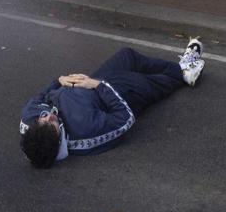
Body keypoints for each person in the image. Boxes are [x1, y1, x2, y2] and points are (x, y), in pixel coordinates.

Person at [19, 40, 204, 167]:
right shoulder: (86, 133)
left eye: (43, 120)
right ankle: (187, 70)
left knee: (128, 56)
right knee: (160, 83)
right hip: (118, 93)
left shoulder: (31, 120)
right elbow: (124, 119)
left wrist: (59, 80)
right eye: (52, 125)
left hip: (94, 81)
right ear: (59, 142)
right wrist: (100, 87)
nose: (49, 116)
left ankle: (182, 69)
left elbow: (40, 97)